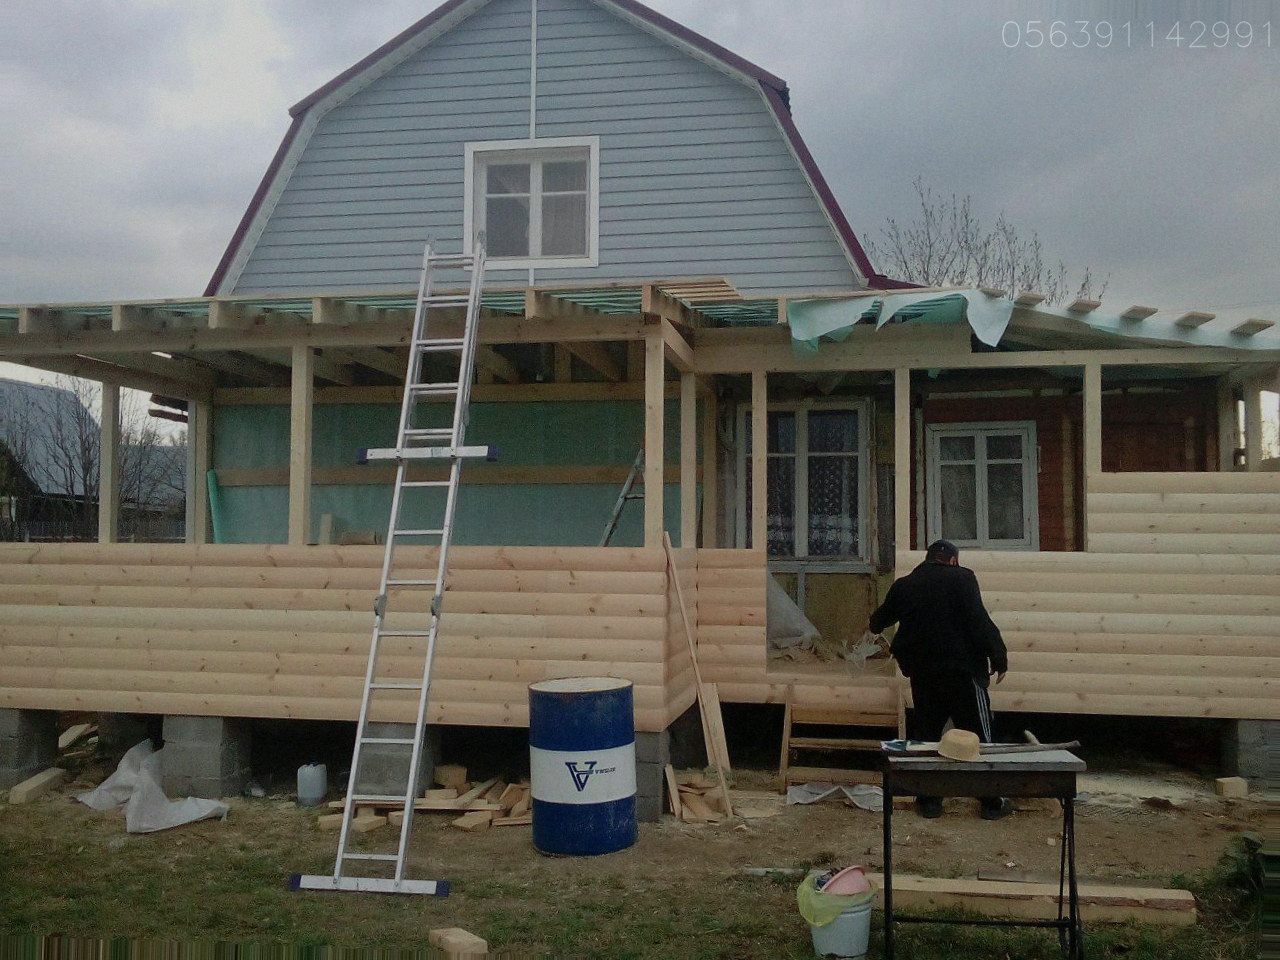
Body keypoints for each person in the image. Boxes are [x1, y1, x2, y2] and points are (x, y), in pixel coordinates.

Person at [867, 538, 1012, 820]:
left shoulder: (905, 585)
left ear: (928, 558)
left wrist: (873, 626)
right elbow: (979, 620)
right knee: (979, 737)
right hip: (963, 673)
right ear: (953, 560)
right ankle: (991, 801)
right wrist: (999, 657)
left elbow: (879, 620)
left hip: (924, 675)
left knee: (927, 737)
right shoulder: (963, 578)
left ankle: (929, 801)